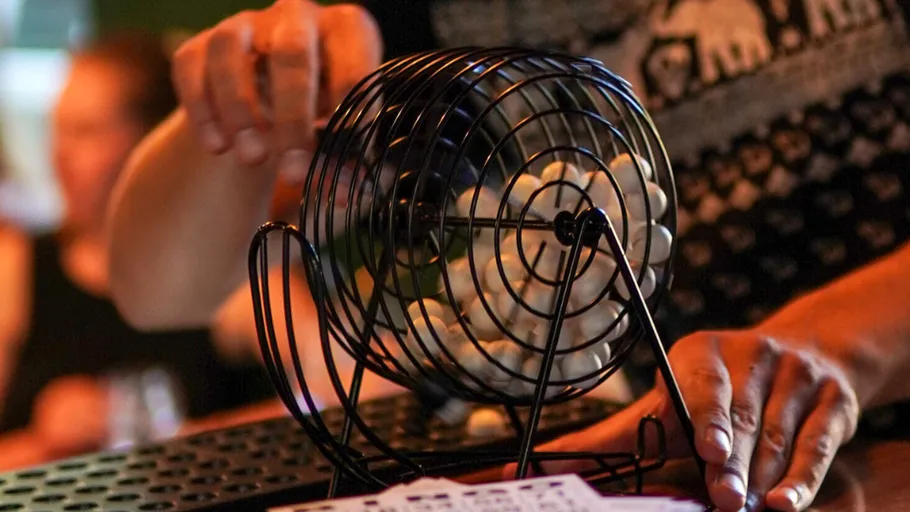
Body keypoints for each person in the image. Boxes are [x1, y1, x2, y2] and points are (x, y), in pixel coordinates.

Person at [106, 1, 910, 511]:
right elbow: (157, 290)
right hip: (646, 475)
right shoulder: (430, 20)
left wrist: (822, 348)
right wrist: (242, 98)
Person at [0, 32, 275, 470]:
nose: (59, 154)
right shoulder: (15, 266)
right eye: (58, 130)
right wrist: (44, 441)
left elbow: (337, 396)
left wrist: (177, 438)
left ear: (151, 146)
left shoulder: (226, 267)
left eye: (85, 132)